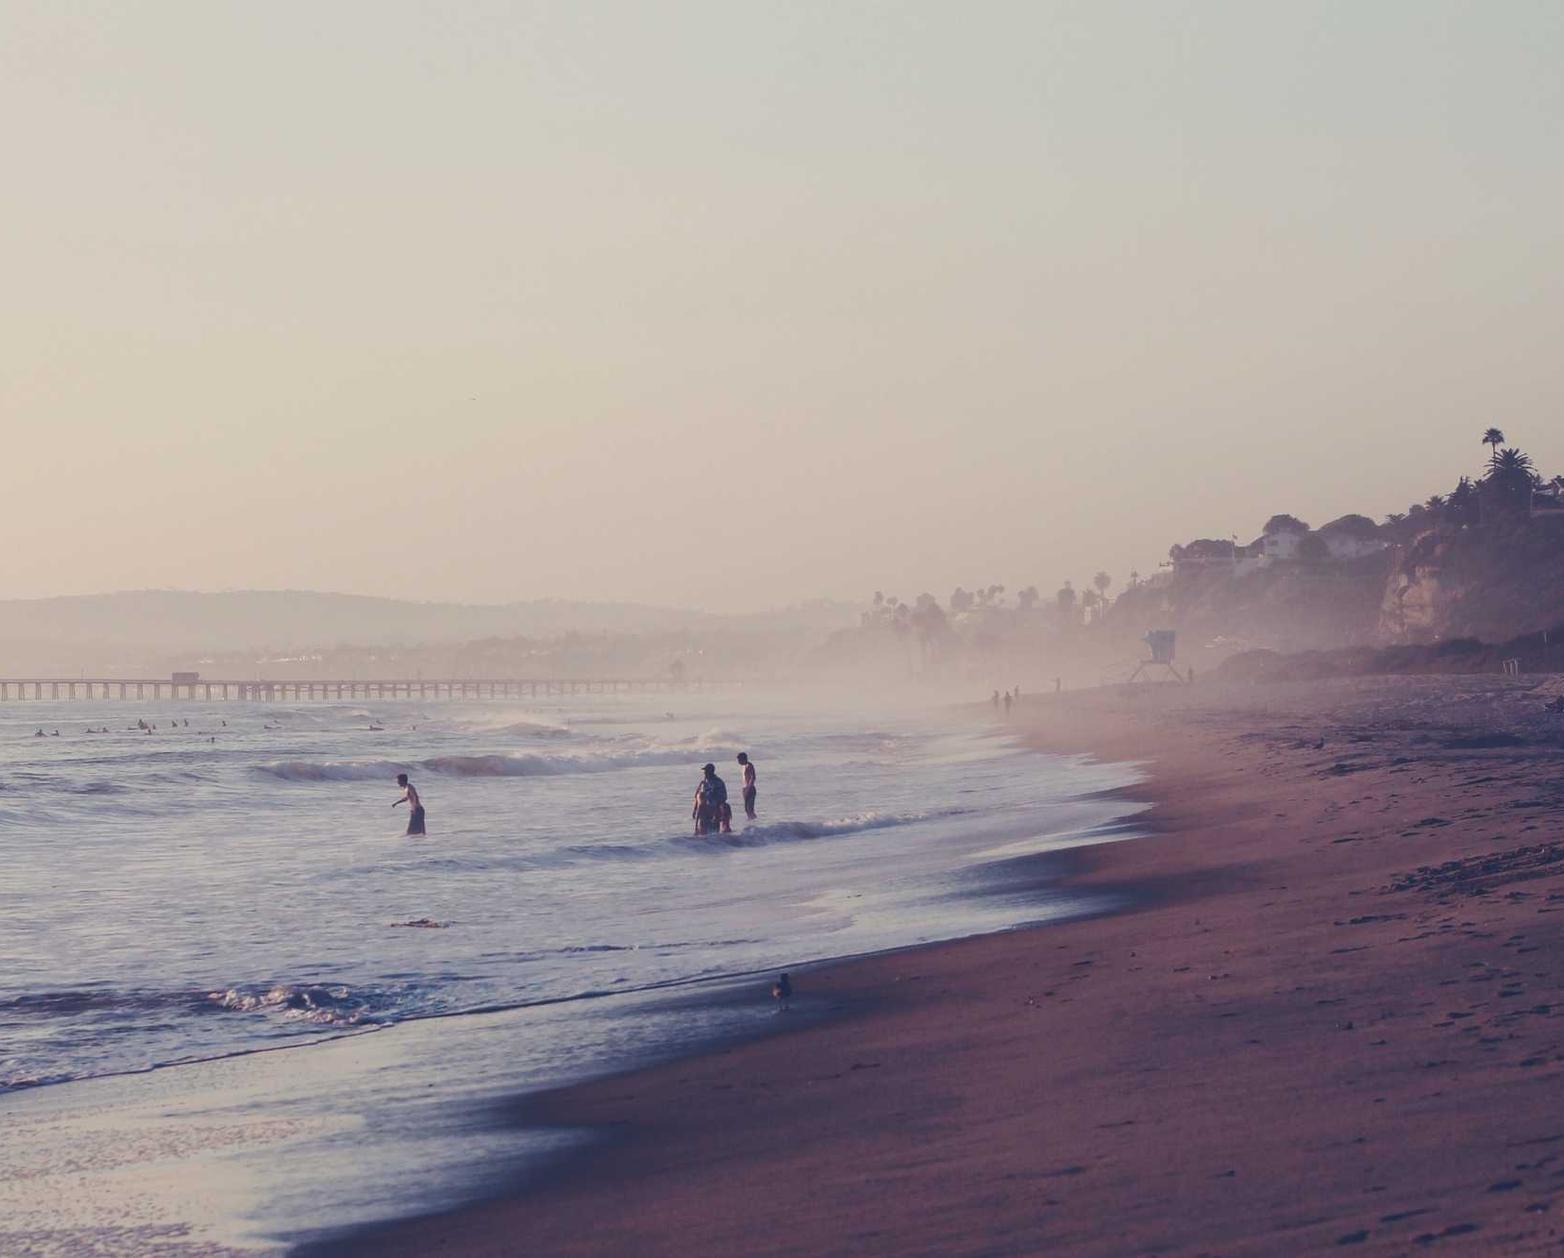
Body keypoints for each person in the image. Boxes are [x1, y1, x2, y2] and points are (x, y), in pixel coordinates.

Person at [692, 763, 729, 835]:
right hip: (705, 809)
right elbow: (697, 796)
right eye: (705, 772)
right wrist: (694, 810)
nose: (705, 773)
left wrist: (717, 809)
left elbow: (723, 797)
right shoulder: (704, 783)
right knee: (703, 830)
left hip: (715, 808)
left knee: (714, 832)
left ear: (711, 772)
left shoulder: (718, 782)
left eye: (706, 772)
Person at [736, 752, 758, 821]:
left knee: (750, 808)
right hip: (745, 788)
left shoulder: (749, 765)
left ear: (743, 759)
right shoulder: (743, 767)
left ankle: (754, 822)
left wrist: (749, 787)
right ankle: (751, 821)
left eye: (739, 760)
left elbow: (753, 777)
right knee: (746, 808)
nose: (738, 762)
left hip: (750, 788)